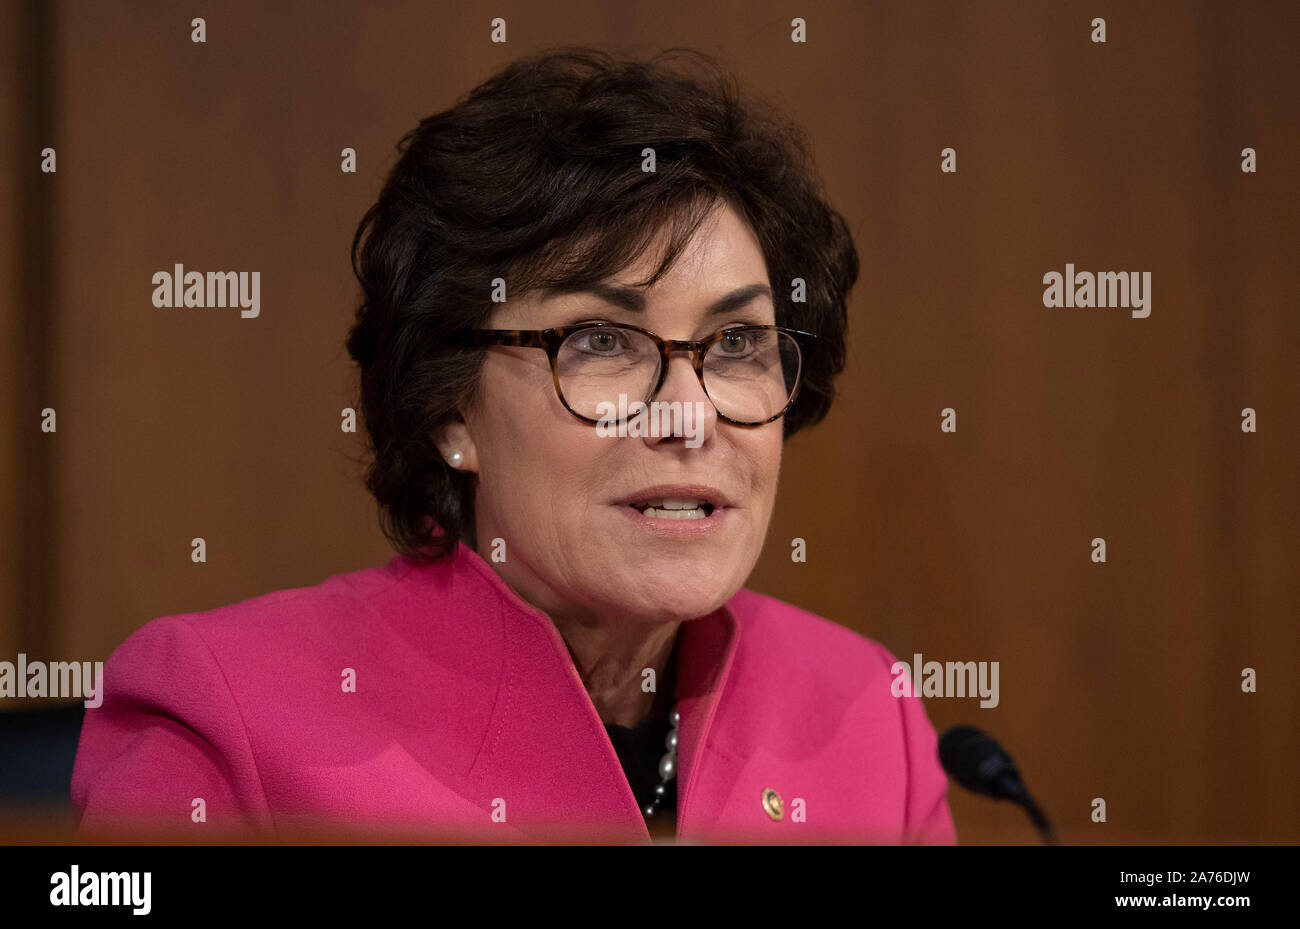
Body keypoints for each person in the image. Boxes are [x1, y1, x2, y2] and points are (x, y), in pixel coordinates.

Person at [71, 46, 956, 844]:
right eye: (602, 341)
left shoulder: (866, 717)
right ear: (452, 409)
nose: (689, 413)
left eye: (735, 345)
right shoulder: (230, 718)